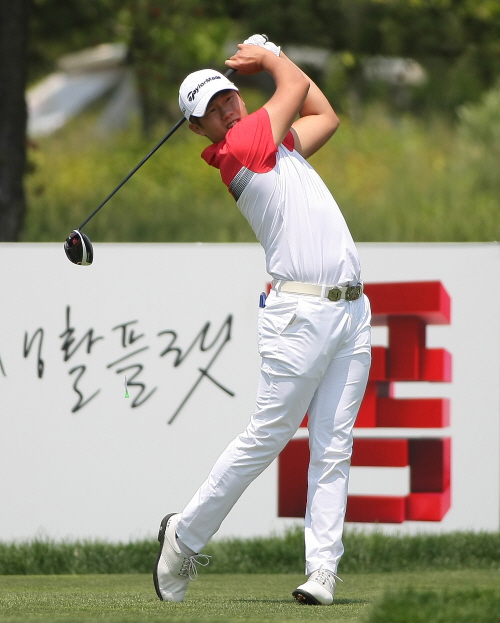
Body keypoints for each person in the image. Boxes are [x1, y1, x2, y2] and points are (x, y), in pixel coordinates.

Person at [153, 35, 371, 606]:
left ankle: (321, 572)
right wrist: (269, 54)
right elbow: (294, 86)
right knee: (267, 436)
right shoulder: (241, 147)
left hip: (351, 310)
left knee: (334, 446)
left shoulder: (277, 147)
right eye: (212, 110)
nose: (227, 109)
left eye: (228, 97)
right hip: (299, 315)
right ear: (198, 129)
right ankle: (184, 535)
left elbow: (325, 114)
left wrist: (272, 56)